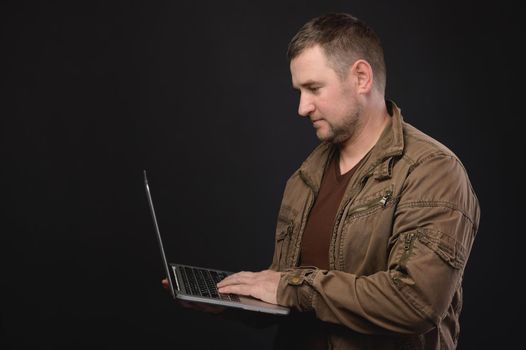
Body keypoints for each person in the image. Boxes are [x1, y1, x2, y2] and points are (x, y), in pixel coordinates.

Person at [166, 12, 480, 350]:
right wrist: (228, 299)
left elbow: (415, 301)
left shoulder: (431, 171)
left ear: (361, 77)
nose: (302, 107)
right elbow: (288, 299)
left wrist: (290, 287)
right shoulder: (306, 177)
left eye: (314, 88)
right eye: (299, 91)